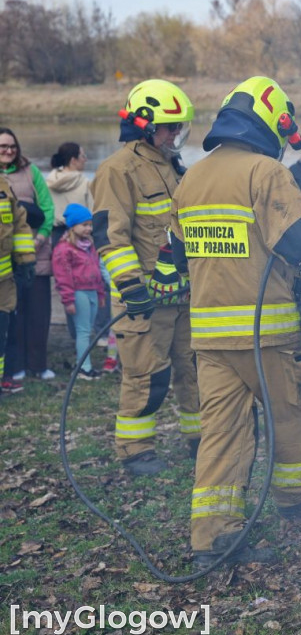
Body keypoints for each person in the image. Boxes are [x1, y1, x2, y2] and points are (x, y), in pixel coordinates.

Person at [170, 75, 301, 568]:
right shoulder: (265, 172)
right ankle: (299, 496)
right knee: (292, 413)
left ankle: (213, 538)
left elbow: (176, 252)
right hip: (267, 333)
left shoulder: (192, 177)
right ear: (271, 123)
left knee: (223, 432)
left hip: (209, 335)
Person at [91, 79, 201, 476]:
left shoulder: (172, 167)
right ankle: (135, 450)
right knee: (146, 377)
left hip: (182, 297)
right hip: (143, 301)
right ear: (146, 125)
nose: (176, 135)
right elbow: (110, 234)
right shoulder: (117, 170)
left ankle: (201, 440)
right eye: (171, 127)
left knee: (194, 371)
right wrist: (132, 287)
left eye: (179, 127)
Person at [0, 127, 56, 384]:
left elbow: (47, 207)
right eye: (3, 146)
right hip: (5, 259)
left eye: (12, 146)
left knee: (38, 310)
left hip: (35, 251)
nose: (9, 151)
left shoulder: (31, 171)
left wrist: (42, 236)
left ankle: (38, 364)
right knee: (11, 315)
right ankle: (15, 366)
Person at [51, 204, 105, 380]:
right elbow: (62, 277)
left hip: (92, 293)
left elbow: (97, 270)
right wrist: (68, 300)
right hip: (79, 293)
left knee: (88, 330)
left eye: (90, 224)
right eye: (84, 225)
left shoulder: (89, 246)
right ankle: (84, 369)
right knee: (83, 331)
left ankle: (83, 363)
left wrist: (101, 294)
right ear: (73, 226)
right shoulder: (64, 249)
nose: (89, 228)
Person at [0, 175, 36, 395]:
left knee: (1, 333)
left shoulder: (3, 184)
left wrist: (26, 260)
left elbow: (19, 224)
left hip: (4, 282)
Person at [46, 142, 93, 244]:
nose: (85, 160)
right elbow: (92, 212)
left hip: (55, 236)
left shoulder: (48, 182)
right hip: (80, 237)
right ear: (73, 160)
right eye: (83, 156)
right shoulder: (85, 183)